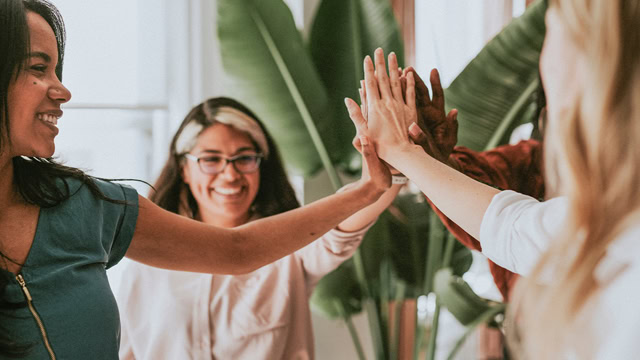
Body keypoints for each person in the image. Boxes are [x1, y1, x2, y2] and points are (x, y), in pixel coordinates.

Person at [0, 1, 393, 358]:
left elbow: (240, 251)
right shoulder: (144, 267)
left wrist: (374, 184)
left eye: (245, 158)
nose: (64, 90)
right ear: (184, 166)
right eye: (38, 68)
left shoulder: (92, 209)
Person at [346, 0, 640, 355]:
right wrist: (425, 158)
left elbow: (512, 227)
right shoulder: (542, 171)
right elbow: (504, 219)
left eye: (552, 34)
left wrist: (406, 153)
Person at [115, 97, 403, 360]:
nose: (230, 174)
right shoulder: (147, 258)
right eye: (211, 160)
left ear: (261, 166)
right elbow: (128, 350)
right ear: (184, 169)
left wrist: (388, 171)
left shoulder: (292, 248)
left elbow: (342, 230)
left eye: (244, 159)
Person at [406, 67, 547, 301]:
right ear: (544, 118)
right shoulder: (530, 160)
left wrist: (406, 154)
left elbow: (504, 227)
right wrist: (434, 159)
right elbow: (486, 200)